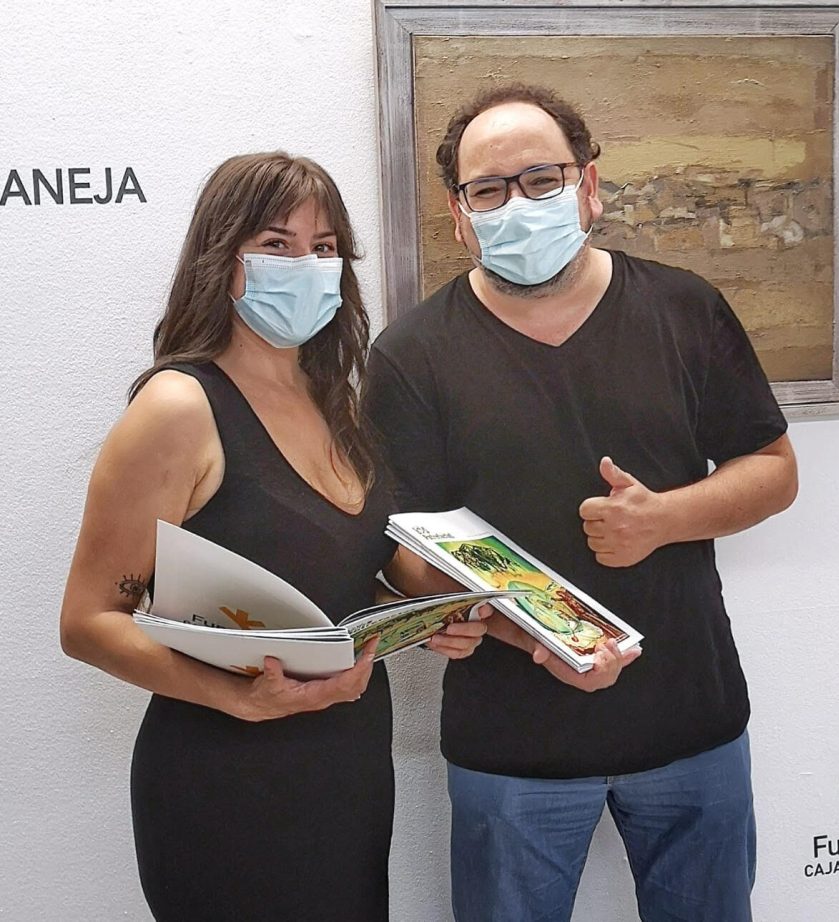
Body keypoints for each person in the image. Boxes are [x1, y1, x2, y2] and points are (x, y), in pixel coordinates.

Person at [363, 85, 799, 922]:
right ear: (459, 215)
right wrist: (464, 611)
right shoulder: (411, 356)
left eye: (541, 180)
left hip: (690, 723)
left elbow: (774, 471)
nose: (518, 205)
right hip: (510, 747)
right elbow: (399, 548)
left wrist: (662, 520)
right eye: (489, 190)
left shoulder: (684, 308)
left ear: (588, 184)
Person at [59, 152, 486, 922]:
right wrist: (240, 699)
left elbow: (349, 577)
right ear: (220, 258)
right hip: (225, 783)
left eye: (324, 248)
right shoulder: (179, 408)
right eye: (277, 244)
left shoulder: (337, 403)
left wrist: (441, 607)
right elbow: (88, 622)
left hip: (349, 771)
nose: (307, 266)